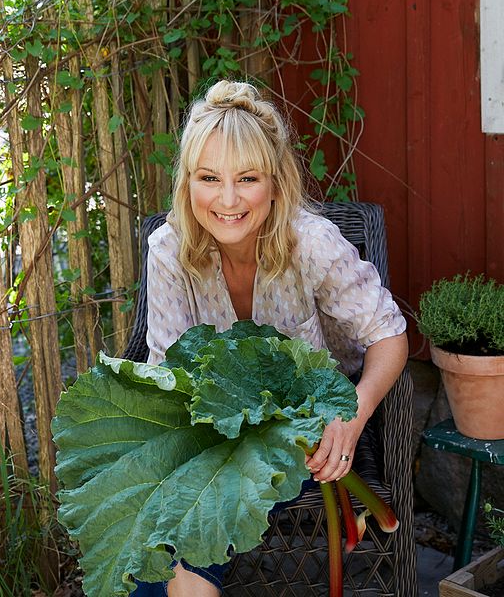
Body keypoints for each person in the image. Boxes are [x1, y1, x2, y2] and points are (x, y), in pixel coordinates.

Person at [137, 80, 408, 597]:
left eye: (248, 178)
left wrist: (353, 415)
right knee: (150, 531)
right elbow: (165, 373)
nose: (228, 200)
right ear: (188, 181)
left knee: (177, 539)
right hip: (216, 437)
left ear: (276, 181)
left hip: (304, 439)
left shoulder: (311, 242)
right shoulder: (168, 251)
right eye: (209, 178)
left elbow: (390, 335)